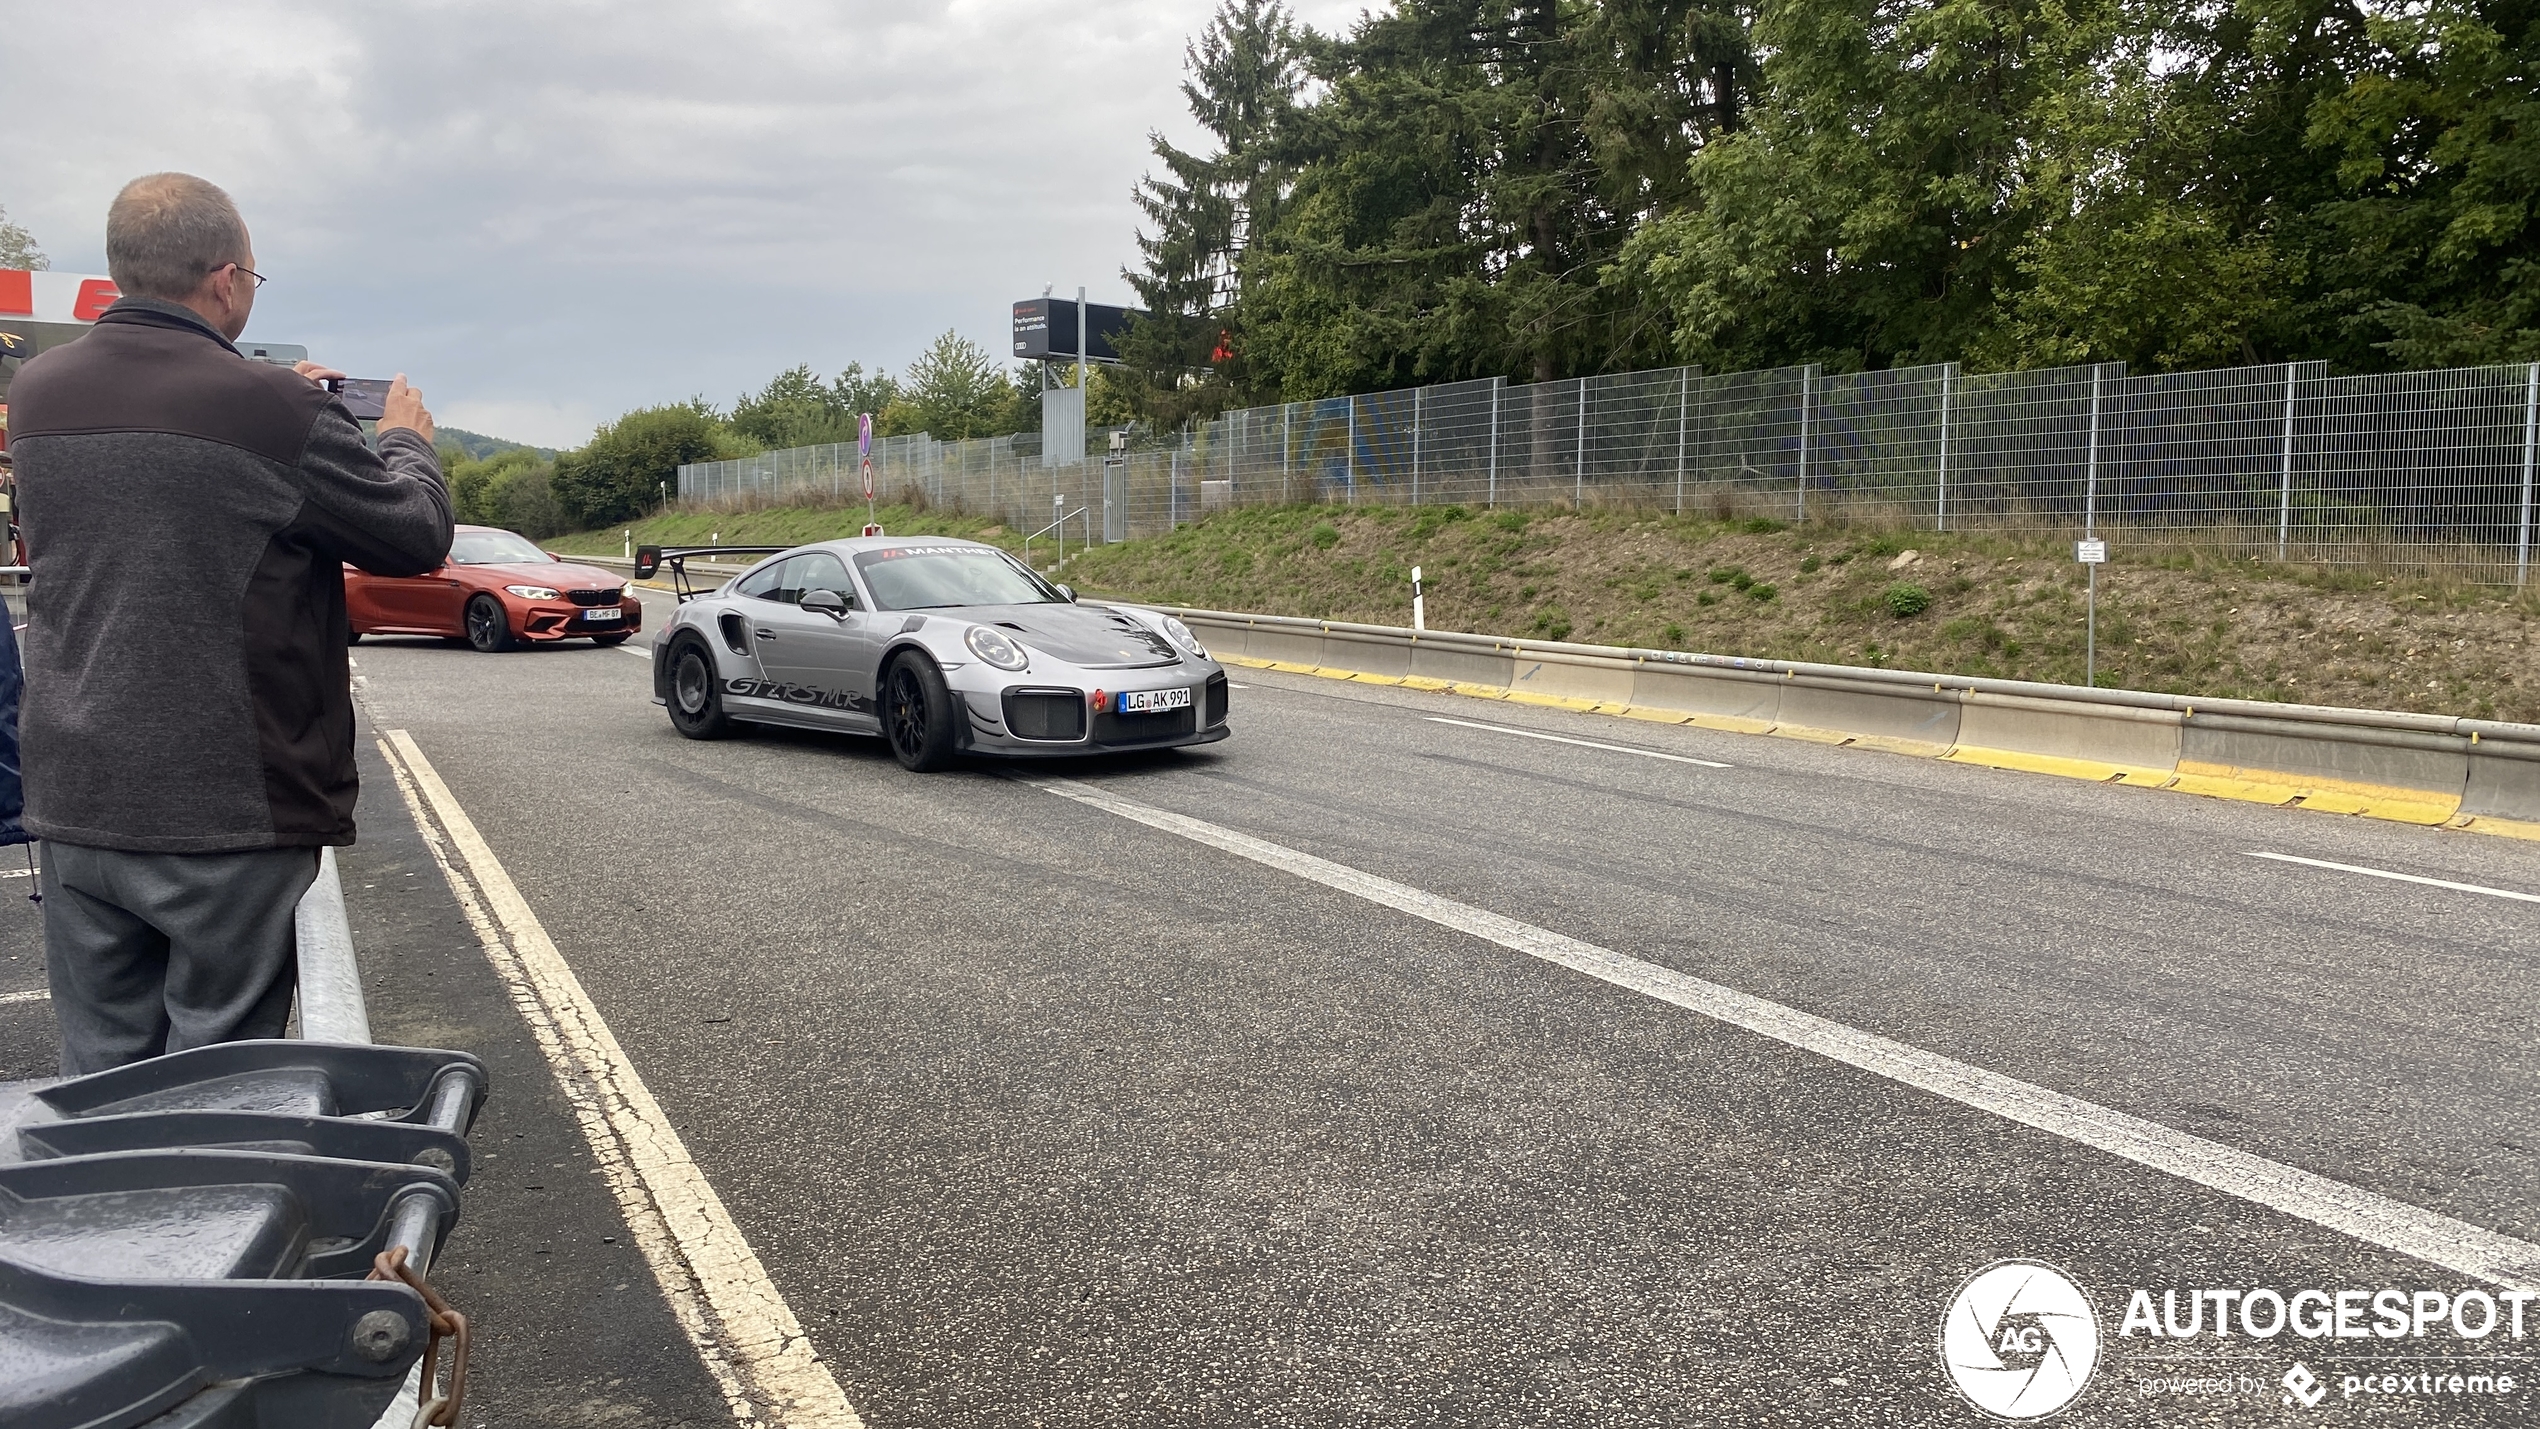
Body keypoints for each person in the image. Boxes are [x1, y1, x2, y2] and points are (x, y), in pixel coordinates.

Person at [4, 173, 452, 1074]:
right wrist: (404, 439)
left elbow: (166, 459)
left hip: (77, 800)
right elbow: (413, 535)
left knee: (103, 1078)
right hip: (223, 812)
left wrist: (273, 394)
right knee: (217, 1082)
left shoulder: (41, 392)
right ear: (225, 279)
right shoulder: (275, 411)